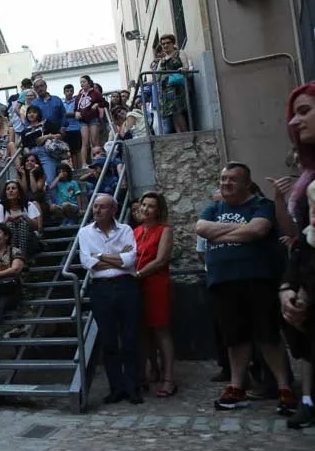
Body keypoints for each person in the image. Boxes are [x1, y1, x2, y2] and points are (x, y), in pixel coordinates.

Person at [196, 162, 295, 413]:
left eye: (232, 179)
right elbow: (201, 229)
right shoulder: (214, 207)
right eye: (223, 179)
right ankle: (237, 386)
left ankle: (284, 388)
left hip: (258, 279)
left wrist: (221, 234)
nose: (226, 183)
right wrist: (243, 229)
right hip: (223, 282)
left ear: (247, 184)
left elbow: (258, 230)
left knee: (268, 336)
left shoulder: (262, 205)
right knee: (235, 338)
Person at [276, 82, 315, 429]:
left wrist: (303, 288)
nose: (293, 122)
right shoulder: (308, 175)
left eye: (304, 112)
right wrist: (289, 285)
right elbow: (302, 236)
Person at [78, 194, 142, 405]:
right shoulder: (85, 232)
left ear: (113, 210)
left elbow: (130, 260)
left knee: (130, 337)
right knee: (109, 339)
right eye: (95, 206)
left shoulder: (125, 230)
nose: (96, 210)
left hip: (126, 285)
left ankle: (133, 387)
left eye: (102, 207)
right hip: (101, 288)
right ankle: (116, 387)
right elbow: (87, 262)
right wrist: (117, 258)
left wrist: (100, 256)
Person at [133, 192, 176, 397]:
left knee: (161, 330)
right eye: (144, 204)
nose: (145, 209)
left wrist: (139, 274)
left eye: (151, 206)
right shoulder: (135, 231)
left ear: (158, 210)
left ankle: (169, 378)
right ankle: (153, 367)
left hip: (155, 283)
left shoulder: (164, 230)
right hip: (137, 285)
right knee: (143, 330)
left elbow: (161, 259)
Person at [0, 180, 43, 260]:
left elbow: (36, 227)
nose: (10, 190)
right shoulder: (0, 208)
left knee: (22, 223)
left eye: (13, 188)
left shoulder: (28, 205)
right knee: (10, 224)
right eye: (8, 189)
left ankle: (21, 257)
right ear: (5, 193)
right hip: (8, 239)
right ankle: (14, 257)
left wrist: (24, 216)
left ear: (19, 192)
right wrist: (7, 220)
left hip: (29, 239)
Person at [157, 34, 193, 134]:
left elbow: (185, 67)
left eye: (168, 43)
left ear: (173, 43)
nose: (165, 45)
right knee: (172, 113)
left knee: (178, 111)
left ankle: (184, 133)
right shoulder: (162, 61)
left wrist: (181, 69)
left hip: (178, 87)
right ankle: (179, 133)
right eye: (163, 44)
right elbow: (157, 75)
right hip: (166, 89)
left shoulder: (179, 53)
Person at [74, 75, 106, 168]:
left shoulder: (95, 93)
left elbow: (104, 103)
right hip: (83, 120)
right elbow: (75, 108)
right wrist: (76, 113)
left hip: (93, 118)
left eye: (84, 82)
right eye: (81, 82)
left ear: (89, 82)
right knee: (85, 142)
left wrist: (97, 104)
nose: (82, 84)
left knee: (94, 141)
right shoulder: (79, 96)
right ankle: (84, 163)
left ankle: (98, 160)